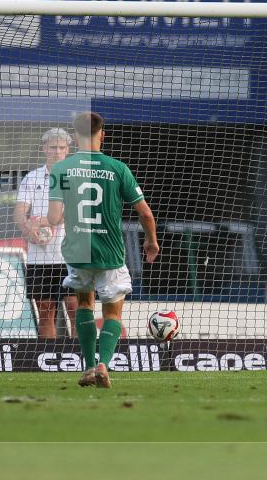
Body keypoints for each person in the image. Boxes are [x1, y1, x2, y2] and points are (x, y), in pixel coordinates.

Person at [46, 112, 159, 389]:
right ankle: (103, 366)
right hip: (109, 252)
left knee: (84, 305)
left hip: (78, 252)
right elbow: (144, 212)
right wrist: (151, 241)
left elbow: (53, 217)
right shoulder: (118, 168)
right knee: (112, 314)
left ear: (74, 138)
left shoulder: (61, 169)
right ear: (102, 134)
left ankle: (87, 366)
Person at [13, 128, 79, 339]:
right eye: (52, 147)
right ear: (43, 149)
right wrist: (28, 228)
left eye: (61, 147)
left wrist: (47, 220)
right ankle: (48, 361)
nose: (57, 152)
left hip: (71, 254)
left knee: (76, 309)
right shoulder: (32, 178)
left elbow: (75, 210)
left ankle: (80, 357)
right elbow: (20, 211)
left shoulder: (75, 176)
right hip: (40, 256)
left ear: (68, 150)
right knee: (45, 310)